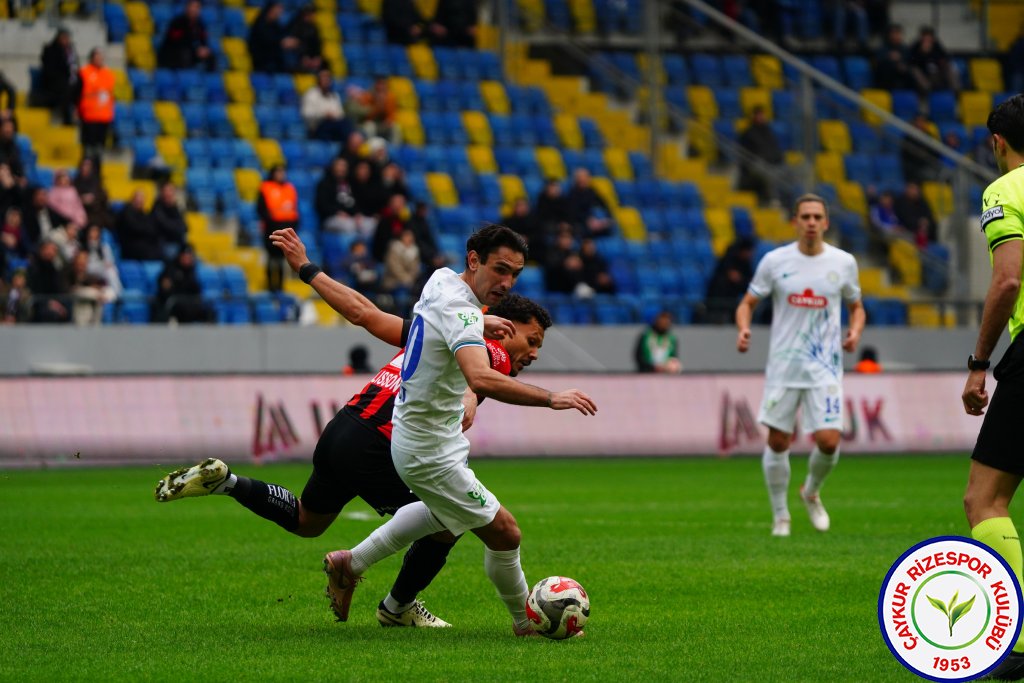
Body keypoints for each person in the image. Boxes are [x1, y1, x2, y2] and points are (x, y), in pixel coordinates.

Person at [155, 226, 553, 628]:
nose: (533, 353)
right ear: (505, 322)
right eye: (532, 340)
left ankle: (228, 481)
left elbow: (364, 314)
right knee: (449, 521)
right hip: (382, 444)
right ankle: (396, 605)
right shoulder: (493, 348)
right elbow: (480, 374)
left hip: (345, 427)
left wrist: (308, 269)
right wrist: (474, 396)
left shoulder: (436, 320)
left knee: (307, 520)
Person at [320, 224, 597, 634]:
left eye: (515, 274)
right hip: (427, 448)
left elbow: (433, 324)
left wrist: (476, 332)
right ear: (474, 260)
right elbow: (482, 376)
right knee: (505, 532)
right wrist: (551, 398)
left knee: (443, 518)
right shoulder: (473, 320)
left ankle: (353, 565)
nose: (506, 282)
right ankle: (526, 620)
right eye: (500, 269)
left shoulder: (441, 281)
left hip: (424, 436)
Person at [735, 193, 865, 537]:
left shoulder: (843, 262)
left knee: (828, 441)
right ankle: (781, 515)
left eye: (816, 217)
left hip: (825, 368)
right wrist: (745, 328)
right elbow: (747, 303)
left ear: (825, 223)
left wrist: (854, 331)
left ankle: (810, 491)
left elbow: (856, 306)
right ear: (795, 221)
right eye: (804, 216)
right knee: (778, 442)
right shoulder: (775, 262)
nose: (810, 222)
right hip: (784, 367)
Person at [959, 94, 1024, 680]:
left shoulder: (1004, 191)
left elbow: (1007, 282)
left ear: (998, 144)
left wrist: (979, 361)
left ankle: (1020, 641)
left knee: (985, 498)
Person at [257, 165, 298, 291]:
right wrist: (272, 224)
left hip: (286, 228)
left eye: (282, 172)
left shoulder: (290, 188)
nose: (281, 174)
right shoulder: (265, 188)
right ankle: (270, 286)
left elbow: (294, 209)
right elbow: (261, 209)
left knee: (282, 260)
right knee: (271, 259)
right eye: (278, 172)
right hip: (271, 229)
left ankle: (280, 287)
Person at [737, 106, 784, 206]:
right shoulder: (747, 133)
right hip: (754, 167)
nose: (761, 117)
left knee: (796, 171)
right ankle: (773, 200)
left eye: (762, 115)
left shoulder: (769, 132)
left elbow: (775, 150)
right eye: (758, 115)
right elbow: (745, 156)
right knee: (768, 173)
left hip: (773, 164)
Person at [704, 236, 755, 324]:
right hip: (720, 295)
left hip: (733, 296)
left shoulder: (745, 263)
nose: (751, 254)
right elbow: (734, 277)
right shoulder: (729, 259)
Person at [76, 48, 115, 160]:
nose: (99, 60)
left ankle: (97, 172)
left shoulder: (108, 74)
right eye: (97, 57)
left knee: (99, 149)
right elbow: (77, 93)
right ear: (91, 58)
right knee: (88, 149)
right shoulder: (84, 73)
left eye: (101, 57)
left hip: (104, 117)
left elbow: (110, 95)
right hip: (88, 116)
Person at [157, 0, 215, 71]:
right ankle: (182, 76)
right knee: (184, 53)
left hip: (191, 51)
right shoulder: (177, 22)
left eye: (197, 7)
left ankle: (208, 78)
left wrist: (204, 49)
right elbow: (175, 41)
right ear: (187, 8)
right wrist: (195, 49)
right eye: (192, 7)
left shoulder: (199, 24)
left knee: (210, 55)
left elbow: (203, 39)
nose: (194, 9)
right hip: (172, 53)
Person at [39, 28, 77, 125]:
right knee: (67, 89)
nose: (66, 40)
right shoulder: (50, 50)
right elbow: (49, 70)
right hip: (54, 82)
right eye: (63, 38)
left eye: (67, 38)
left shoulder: (70, 51)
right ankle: (66, 118)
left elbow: (74, 66)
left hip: (70, 81)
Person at [248, 2, 298, 74]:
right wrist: (281, 42)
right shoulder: (261, 24)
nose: (279, 14)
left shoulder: (275, 25)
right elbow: (265, 40)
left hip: (275, 60)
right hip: (261, 60)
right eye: (277, 11)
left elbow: (281, 35)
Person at [302, 69, 349, 142]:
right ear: (318, 80)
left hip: (334, 125)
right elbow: (307, 114)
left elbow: (341, 114)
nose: (326, 81)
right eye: (324, 78)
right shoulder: (311, 94)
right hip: (318, 127)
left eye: (328, 78)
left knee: (346, 122)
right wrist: (323, 115)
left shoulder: (334, 96)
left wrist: (334, 115)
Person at [116, 190, 163, 261]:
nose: (139, 201)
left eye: (141, 199)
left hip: (143, 244)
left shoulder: (144, 214)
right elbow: (134, 228)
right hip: (130, 246)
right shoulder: (127, 212)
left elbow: (153, 228)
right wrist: (147, 229)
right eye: (137, 199)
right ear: (132, 199)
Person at [634, 309, 682, 374]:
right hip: (647, 372)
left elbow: (673, 357)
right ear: (656, 321)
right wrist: (652, 367)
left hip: (665, 373)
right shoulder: (645, 336)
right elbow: (638, 356)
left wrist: (670, 365)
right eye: (662, 321)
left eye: (666, 322)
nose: (664, 324)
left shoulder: (672, 339)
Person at [149, 182, 188, 259]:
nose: (169, 193)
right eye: (167, 190)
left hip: (177, 242)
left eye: (171, 190)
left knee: (191, 256)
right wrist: (177, 227)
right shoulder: (157, 207)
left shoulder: (176, 208)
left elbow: (185, 227)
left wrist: (174, 209)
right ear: (162, 192)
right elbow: (164, 225)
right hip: (162, 243)